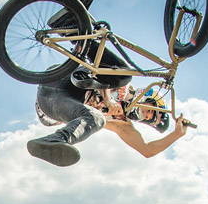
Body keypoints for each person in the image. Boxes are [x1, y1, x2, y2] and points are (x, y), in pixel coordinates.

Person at [27, 65, 191, 166]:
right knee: (119, 78)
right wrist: (107, 98)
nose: (144, 115)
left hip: (52, 104)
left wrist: (176, 134)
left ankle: (54, 141)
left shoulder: (122, 123)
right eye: (149, 111)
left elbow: (147, 150)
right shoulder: (126, 86)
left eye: (147, 119)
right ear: (149, 99)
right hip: (62, 78)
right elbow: (103, 70)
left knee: (97, 119)